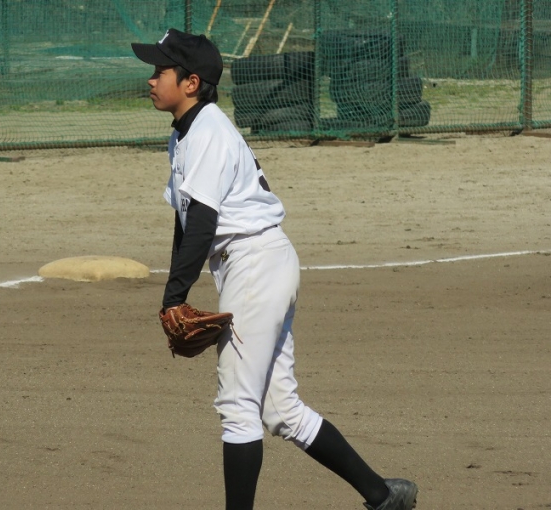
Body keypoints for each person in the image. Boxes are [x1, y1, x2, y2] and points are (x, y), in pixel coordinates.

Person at [131, 28, 418, 510]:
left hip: (255, 265)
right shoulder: (184, 134)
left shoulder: (208, 133)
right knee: (281, 410)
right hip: (256, 265)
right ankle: (384, 496)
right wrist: (175, 291)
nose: (151, 78)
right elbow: (186, 218)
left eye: (161, 70)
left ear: (191, 82)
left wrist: (174, 296)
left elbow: (202, 223)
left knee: (237, 407)